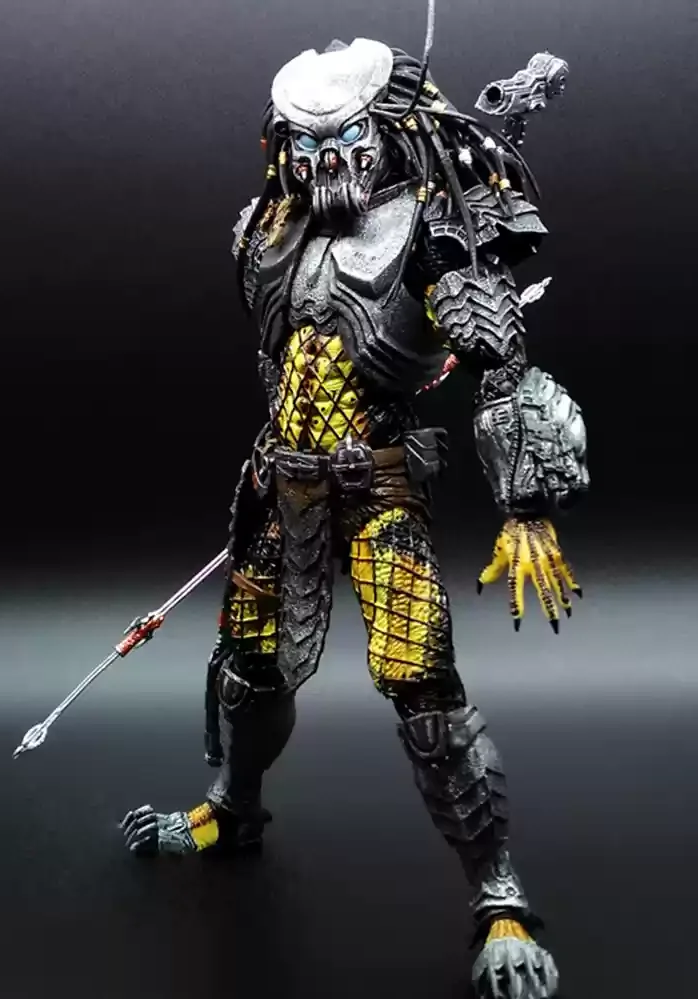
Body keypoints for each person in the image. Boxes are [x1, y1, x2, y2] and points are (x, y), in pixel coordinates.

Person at [120, 33, 588, 999]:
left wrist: (525, 507)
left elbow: (502, 366)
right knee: (248, 667)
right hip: (282, 486)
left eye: (344, 144)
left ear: (378, 137)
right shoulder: (264, 230)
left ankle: (498, 896)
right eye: (307, 147)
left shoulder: (427, 230)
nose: (326, 163)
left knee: (422, 686)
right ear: (283, 147)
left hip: (378, 488)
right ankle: (232, 809)